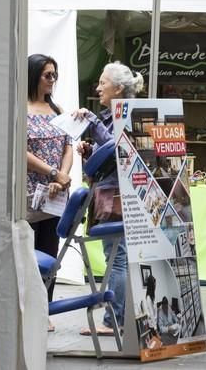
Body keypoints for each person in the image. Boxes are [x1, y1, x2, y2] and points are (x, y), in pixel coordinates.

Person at [73, 61, 145, 336]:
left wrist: (91, 120)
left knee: (116, 257)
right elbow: (107, 152)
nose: (98, 87)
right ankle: (119, 316)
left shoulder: (123, 115)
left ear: (118, 88)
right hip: (112, 192)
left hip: (115, 195)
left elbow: (117, 148)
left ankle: (112, 319)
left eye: (103, 82)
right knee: (119, 256)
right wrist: (90, 149)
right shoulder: (114, 115)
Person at [26, 54, 73, 332]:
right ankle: (26, 309)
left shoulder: (57, 110)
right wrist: (52, 173)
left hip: (55, 195)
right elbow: (21, 151)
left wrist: (62, 177)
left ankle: (44, 310)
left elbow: (68, 146)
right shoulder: (20, 109)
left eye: (55, 74)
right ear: (34, 76)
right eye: (47, 75)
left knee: (50, 254)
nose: (52, 80)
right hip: (29, 193)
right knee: (27, 254)